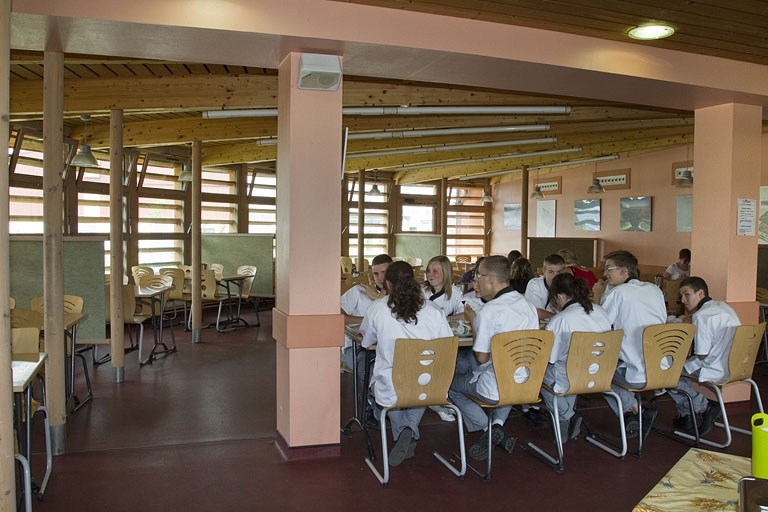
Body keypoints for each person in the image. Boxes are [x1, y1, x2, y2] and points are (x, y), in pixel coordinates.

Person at [360, 261, 453, 466]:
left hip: (393, 384)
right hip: (430, 384)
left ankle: (405, 431)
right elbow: (447, 344)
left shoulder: (378, 308)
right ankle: (410, 430)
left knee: (389, 385)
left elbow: (366, 342)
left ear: (388, 285)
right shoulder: (434, 309)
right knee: (418, 382)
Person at [448, 255, 539, 460]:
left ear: (489, 278)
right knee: (507, 376)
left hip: (495, 387)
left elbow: (481, 357)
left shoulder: (490, 311)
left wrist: (473, 323)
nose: (475, 281)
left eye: (477, 276)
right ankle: (498, 426)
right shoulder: (527, 305)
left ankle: (487, 430)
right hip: (526, 382)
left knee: (448, 383)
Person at [592, 250, 667, 439]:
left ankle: (632, 410)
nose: (605, 274)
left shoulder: (619, 293)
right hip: (663, 368)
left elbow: (599, 324)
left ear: (625, 271)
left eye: (609, 268)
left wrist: (598, 294)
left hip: (637, 371)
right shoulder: (654, 289)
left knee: (597, 374)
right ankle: (635, 410)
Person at [541, 273, 612, 442]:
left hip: (573, 375)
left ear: (559, 296)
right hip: (601, 373)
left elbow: (551, 357)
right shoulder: (601, 311)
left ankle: (567, 416)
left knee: (541, 375)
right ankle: (566, 419)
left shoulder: (561, 320)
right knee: (568, 368)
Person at [669, 276, 739, 435]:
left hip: (715, 367)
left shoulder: (701, 316)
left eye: (687, 294)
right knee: (681, 370)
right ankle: (686, 415)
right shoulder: (723, 306)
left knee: (667, 374)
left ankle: (704, 407)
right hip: (735, 365)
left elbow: (701, 355)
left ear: (701, 293)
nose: (683, 300)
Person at [422, 255, 464, 422]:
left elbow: (464, 313)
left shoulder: (454, 292)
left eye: (435, 271)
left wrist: (443, 320)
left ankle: (440, 398)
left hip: (442, 337)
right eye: (428, 271)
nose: (430, 275)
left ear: (445, 273)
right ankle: (433, 402)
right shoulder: (420, 290)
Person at [340, 254, 393, 370]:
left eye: (384, 273)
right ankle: (373, 388)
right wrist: (366, 320)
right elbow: (337, 317)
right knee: (372, 369)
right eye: (376, 274)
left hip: (389, 348)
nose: (380, 278)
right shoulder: (358, 291)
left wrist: (378, 299)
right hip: (357, 348)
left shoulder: (399, 296)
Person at [525, 254, 567, 322]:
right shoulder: (535, 284)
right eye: (551, 272)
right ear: (544, 271)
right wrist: (560, 318)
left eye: (559, 272)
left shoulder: (568, 286)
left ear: (565, 271)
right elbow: (537, 313)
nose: (555, 276)